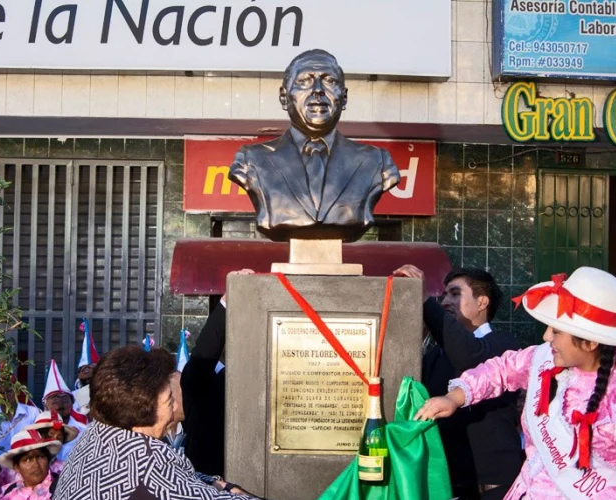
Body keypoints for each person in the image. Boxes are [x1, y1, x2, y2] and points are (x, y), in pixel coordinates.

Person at [414, 267, 616, 499]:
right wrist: (455, 397)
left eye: (556, 331)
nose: (547, 336)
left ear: (591, 342)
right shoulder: (543, 358)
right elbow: (501, 369)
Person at [229, 49, 400, 242]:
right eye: (304, 81)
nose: (318, 90)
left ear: (344, 98)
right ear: (284, 97)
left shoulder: (376, 162)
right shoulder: (251, 160)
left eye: (330, 81)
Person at [54, 345, 264, 500]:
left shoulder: (98, 432)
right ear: (145, 407)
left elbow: (180, 476)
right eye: (169, 399)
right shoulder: (145, 471)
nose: (176, 405)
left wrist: (214, 483)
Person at [394, 265, 523, 500]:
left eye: (455, 294)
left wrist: (426, 301)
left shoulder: (504, 346)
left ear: (482, 302)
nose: (445, 302)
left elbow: (468, 357)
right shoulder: (436, 355)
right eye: (443, 295)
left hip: (495, 487)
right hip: (449, 485)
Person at [181, 269, 253, 475]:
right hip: (210, 479)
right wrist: (226, 302)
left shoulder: (250, 379)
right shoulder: (201, 382)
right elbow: (203, 356)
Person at [0, 429, 62, 500]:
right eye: (27, 460)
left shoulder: (60, 485)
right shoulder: (10, 491)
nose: (36, 464)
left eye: (40, 457)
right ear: (16, 467)